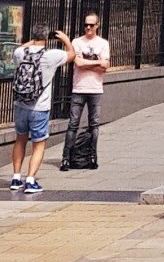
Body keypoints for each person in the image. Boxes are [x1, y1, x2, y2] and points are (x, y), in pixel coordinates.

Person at [10, 24, 75, 193]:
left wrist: (32, 40)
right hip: (39, 106)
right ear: (46, 38)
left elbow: (19, 48)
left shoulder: (20, 53)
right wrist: (66, 40)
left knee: (20, 139)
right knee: (39, 144)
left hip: (20, 104)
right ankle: (30, 180)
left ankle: (16, 178)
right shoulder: (51, 55)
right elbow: (72, 55)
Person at [62, 13, 111, 171]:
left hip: (95, 88)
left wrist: (86, 63)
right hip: (79, 88)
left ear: (97, 25)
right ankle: (66, 158)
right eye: (86, 25)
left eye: (91, 25)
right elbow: (77, 63)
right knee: (73, 124)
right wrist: (98, 62)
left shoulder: (103, 43)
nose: (88, 28)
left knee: (94, 125)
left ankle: (92, 156)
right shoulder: (76, 42)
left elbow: (106, 66)